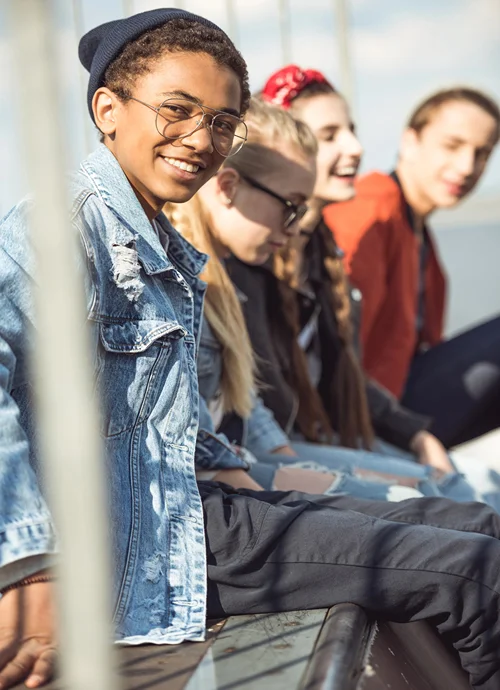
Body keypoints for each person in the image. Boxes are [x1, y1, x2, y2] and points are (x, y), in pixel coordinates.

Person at [2, 11, 500, 690]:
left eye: (222, 123)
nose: (202, 139)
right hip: (149, 546)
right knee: (476, 575)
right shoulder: (61, 230)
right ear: (108, 109)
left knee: (475, 526)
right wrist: (29, 568)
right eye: (177, 110)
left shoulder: (160, 246)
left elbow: (149, 415)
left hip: (190, 508)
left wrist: (236, 463)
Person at [168, 96, 496, 506]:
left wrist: (305, 469)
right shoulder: (209, 275)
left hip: (282, 451)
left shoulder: (302, 254)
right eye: (328, 135)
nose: (354, 149)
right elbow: (193, 434)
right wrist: (292, 503)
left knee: (445, 498)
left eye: (482, 153)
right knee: (436, 503)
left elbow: (247, 405)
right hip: (234, 487)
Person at [323, 88, 500, 447]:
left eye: (481, 153)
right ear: (410, 142)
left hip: (399, 401)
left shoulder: (420, 236)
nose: (467, 167)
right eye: (452, 145)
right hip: (364, 414)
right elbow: (337, 344)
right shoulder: (372, 208)